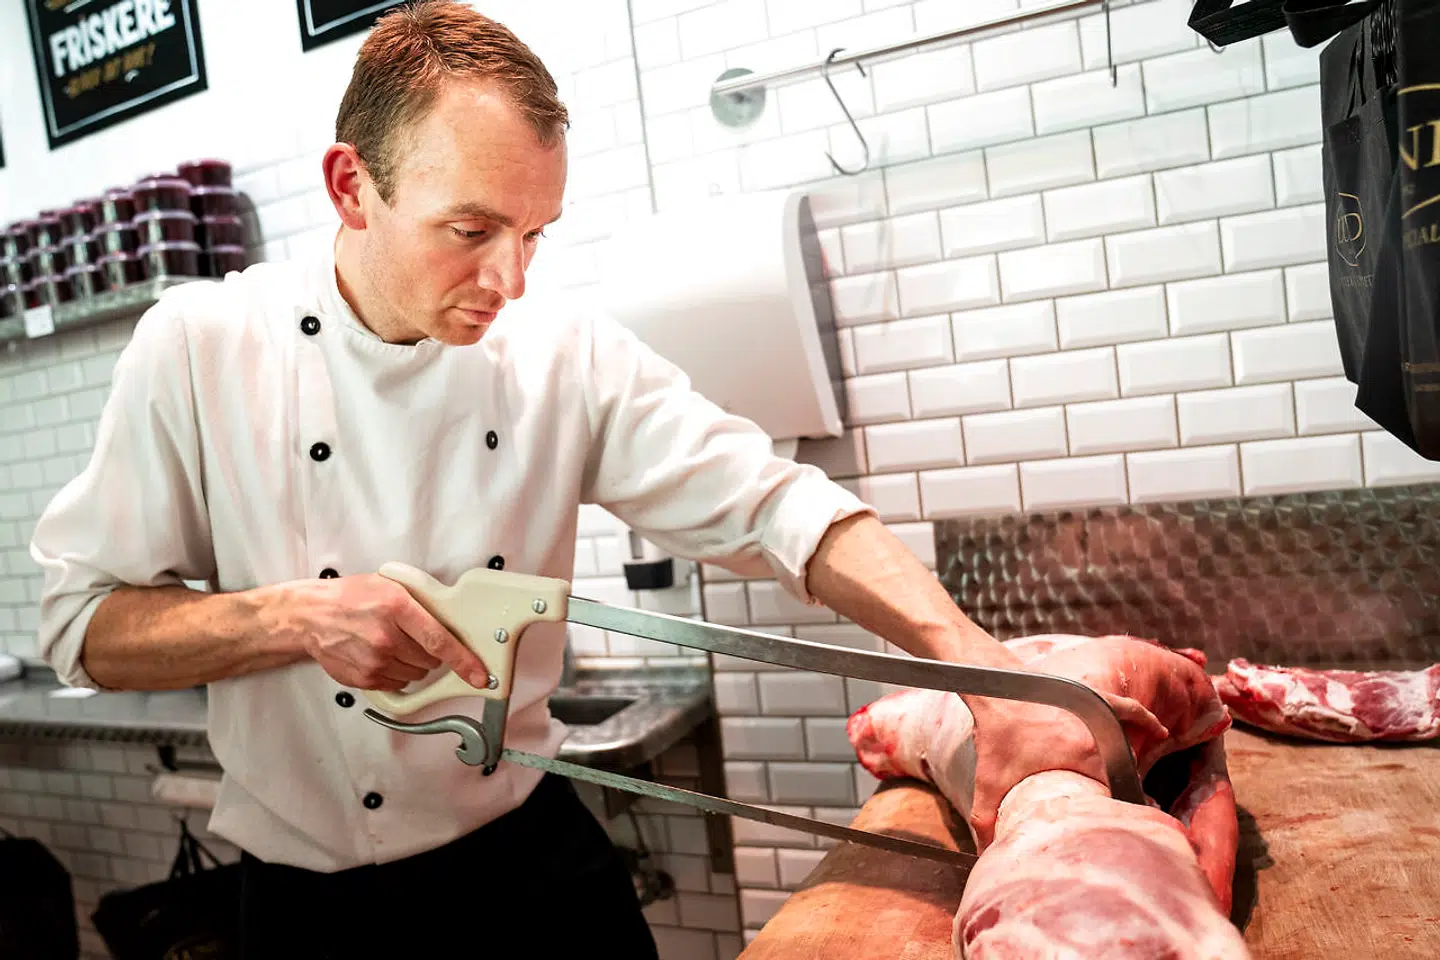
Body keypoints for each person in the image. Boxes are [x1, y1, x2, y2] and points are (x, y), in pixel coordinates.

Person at [29, 3, 1119, 957]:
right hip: (312, 914)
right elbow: (84, 626)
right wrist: (295, 618)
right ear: (351, 186)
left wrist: (980, 667)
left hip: (532, 866)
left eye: (534, 233)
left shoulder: (560, 355)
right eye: (470, 230)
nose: (508, 278)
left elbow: (775, 504)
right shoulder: (201, 349)